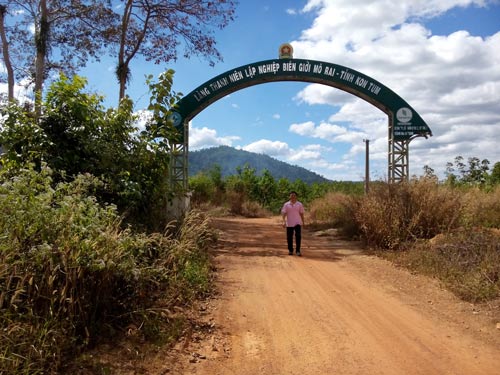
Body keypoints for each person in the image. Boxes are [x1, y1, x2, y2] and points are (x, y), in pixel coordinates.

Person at [281, 191, 305, 256]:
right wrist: (283, 221)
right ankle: (290, 250)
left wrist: (303, 222)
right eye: (291, 195)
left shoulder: (299, 204)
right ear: (289, 196)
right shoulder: (286, 204)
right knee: (289, 237)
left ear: (296, 196)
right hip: (289, 223)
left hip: (297, 223)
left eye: (294, 195)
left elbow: (302, 213)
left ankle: (298, 251)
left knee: (298, 236)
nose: (292, 197)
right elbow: (284, 213)